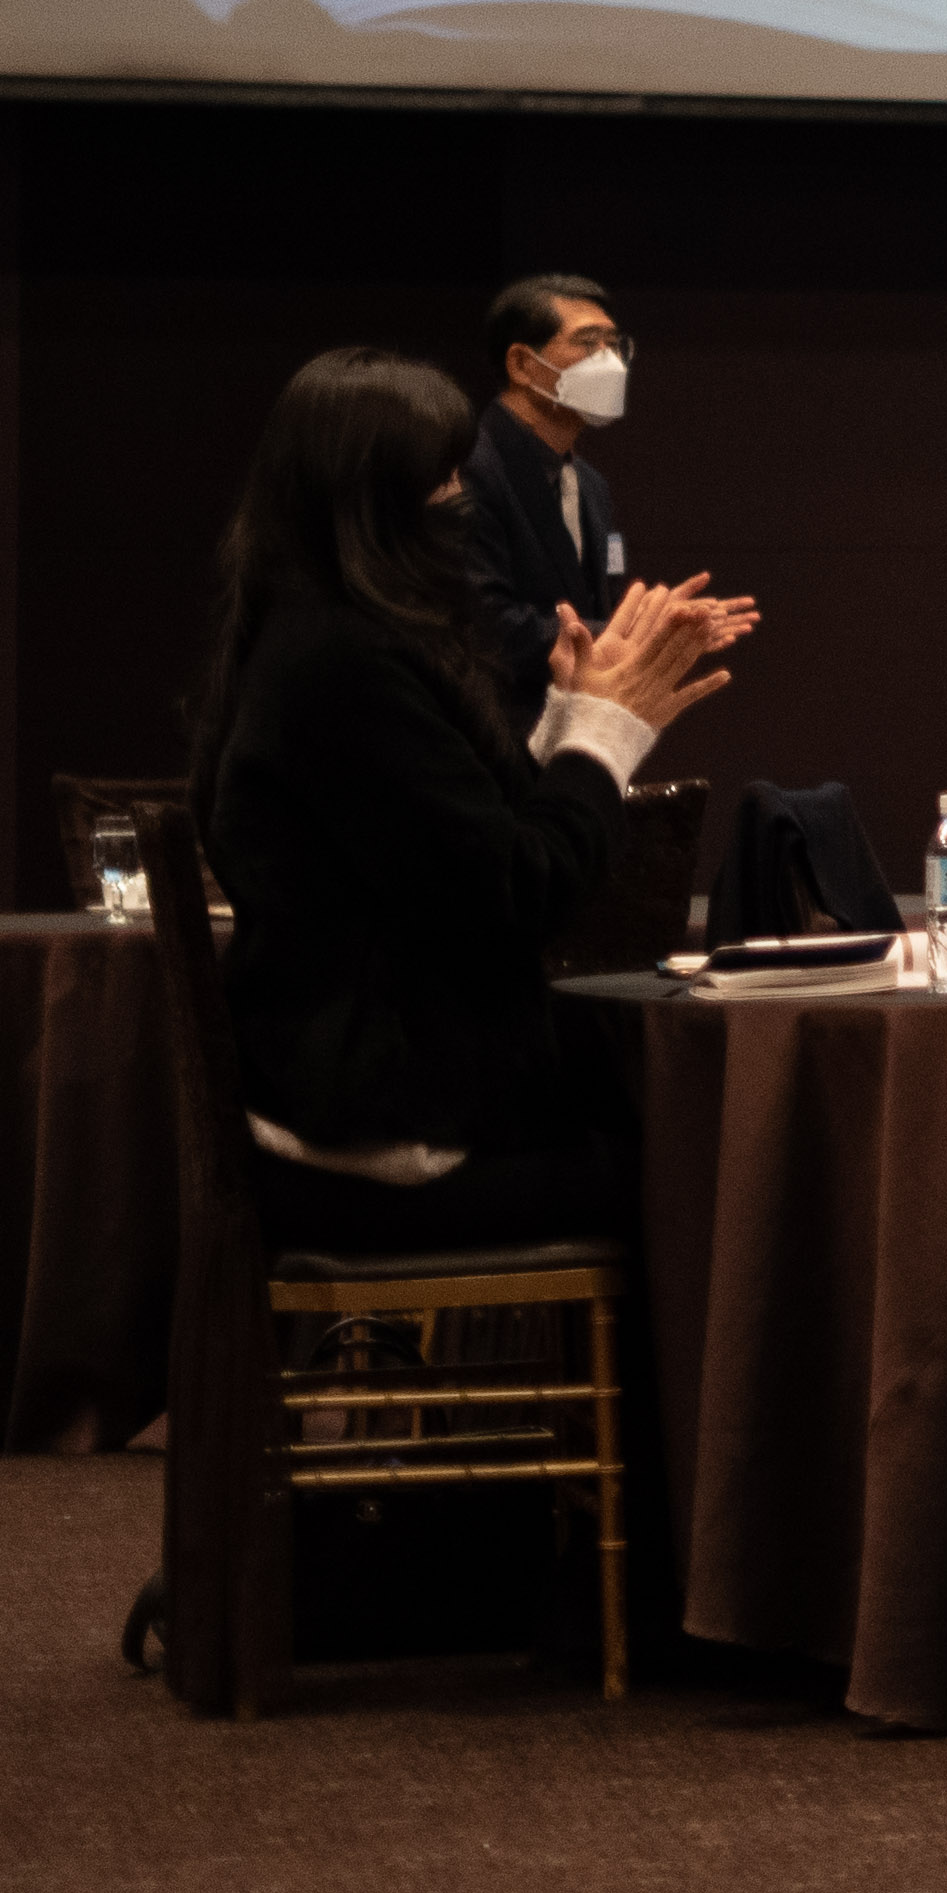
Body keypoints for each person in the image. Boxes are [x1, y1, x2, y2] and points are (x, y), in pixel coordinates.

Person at [194, 347, 754, 1257]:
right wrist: (605, 732)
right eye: (443, 480)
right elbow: (522, 893)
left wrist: (573, 714)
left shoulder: (303, 636)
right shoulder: (344, 667)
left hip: (343, 1107)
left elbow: (456, 847)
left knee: (658, 1125)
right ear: (370, 503)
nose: (463, 501)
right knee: (723, 1170)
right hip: (383, 1140)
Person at [452, 271, 644, 710]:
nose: (610, 361)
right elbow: (484, 621)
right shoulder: (469, 466)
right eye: (588, 342)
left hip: (574, 718)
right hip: (495, 722)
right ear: (522, 364)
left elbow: (593, 602)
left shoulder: (591, 484)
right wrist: (620, 638)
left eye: (614, 344)